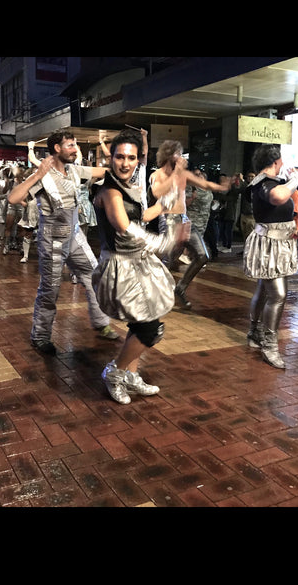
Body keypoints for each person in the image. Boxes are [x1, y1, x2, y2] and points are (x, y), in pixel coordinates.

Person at [92, 129, 188, 404]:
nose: (125, 163)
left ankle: (130, 376)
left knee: (140, 323)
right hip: (121, 266)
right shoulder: (109, 191)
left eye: (131, 158)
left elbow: (143, 214)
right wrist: (165, 242)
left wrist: (167, 202)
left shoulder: (127, 187)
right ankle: (115, 372)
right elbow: (124, 226)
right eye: (120, 157)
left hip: (138, 264)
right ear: (111, 158)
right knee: (150, 330)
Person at [7, 130, 119, 354]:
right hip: (52, 241)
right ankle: (40, 336)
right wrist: (37, 174)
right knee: (50, 290)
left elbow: (106, 171)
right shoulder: (43, 175)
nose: (75, 149)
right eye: (70, 145)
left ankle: (101, 322)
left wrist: (121, 160)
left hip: (75, 235)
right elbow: (13, 198)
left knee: (94, 275)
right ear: (56, 148)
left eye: (75, 145)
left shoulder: (74, 170)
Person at [149, 140, 230, 308]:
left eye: (181, 153)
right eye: (178, 153)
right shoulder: (157, 174)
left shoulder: (182, 175)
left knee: (203, 256)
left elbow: (204, 184)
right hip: (169, 220)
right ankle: (154, 291)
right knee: (169, 260)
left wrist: (221, 187)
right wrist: (176, 171)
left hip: (184, 220)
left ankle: (180, 288)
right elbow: (158, 192)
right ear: (168, 155)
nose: (181, 158)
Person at [243, 144, 298, 369]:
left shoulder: (266, 181)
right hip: (270, 243)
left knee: (263, 290)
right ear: (276, 163)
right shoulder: (264, 182)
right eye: (281, 162)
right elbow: (277, 197)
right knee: (278, 294)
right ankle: (269, 345)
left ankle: (254, 332)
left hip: (277, 243)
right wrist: (294, 180)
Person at [239, 171, 256, 242]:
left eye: (252, 177)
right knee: (244, 233)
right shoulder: (244, 186)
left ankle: (250, 251)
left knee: (250, 233)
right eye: (248, 176)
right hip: (243, 213)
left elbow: (248, 189)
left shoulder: (256, 186)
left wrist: (242, 180)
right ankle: (245, 249)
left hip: (251, 214)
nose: (250, 178)